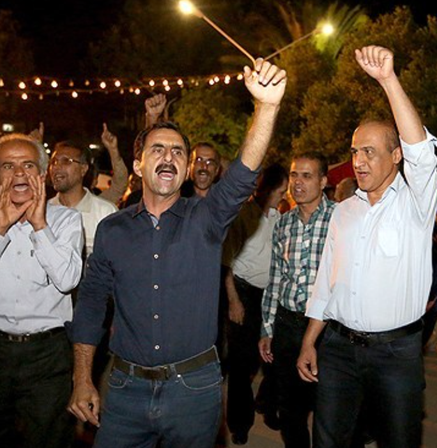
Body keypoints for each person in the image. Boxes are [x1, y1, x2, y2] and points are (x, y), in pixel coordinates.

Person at [66, 58, 287, 448]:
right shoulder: (112, 230)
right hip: (126, 389)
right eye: (158, 150)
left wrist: (266, 107)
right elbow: (91, 304)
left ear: (185, 171)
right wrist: (82, 378)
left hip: (194, 391)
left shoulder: (206, 219)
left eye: (178, 152)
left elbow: (241, 176)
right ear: (138, 166)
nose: (168, 157)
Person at [297, 45, 437, 448]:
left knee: (398, 441)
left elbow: (422, 153)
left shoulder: (416, 204)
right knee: (327, 440)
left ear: (396, 156)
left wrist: (388, 80)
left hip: (396, 353)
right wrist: (310, 340)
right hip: (338, 349)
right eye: (355, 151)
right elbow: (326, 283)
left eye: (369, 152)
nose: (358, 161)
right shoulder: (343, 212)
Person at [0, 133, 84, 448]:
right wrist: (2, 227)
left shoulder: (65, 220)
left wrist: (39, 225)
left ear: (41, 174)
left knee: (50, 439)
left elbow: (67, 280)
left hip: (48, 354)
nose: (18, 173)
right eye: (7, 166)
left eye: (28, 165)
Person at [259, 152, 335, 448]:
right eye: (294, 175)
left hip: (328, 330)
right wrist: (267, 328)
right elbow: (276, 278)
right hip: (288, 325)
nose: (298, 182)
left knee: (329, 410)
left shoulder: (340, 219)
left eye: (307, 176)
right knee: (290, 409)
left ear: (323, 181)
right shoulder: (283, 223)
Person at [221, 163, 288, 444]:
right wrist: (234, 300)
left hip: (269, 297)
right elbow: (226, 262)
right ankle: (239, 423)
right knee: (242, 364)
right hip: (243, 294)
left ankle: (267, 404)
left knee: (273, 357)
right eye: (281, 191)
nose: (284, 196)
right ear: (268, 189)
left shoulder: (278, 218)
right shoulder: (242, 215)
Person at [49, 140, 118, 258]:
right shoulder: (43, 214)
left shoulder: (105, 212)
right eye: (54, 162)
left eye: (66, 161)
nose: (57, 167)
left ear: (83, 169)